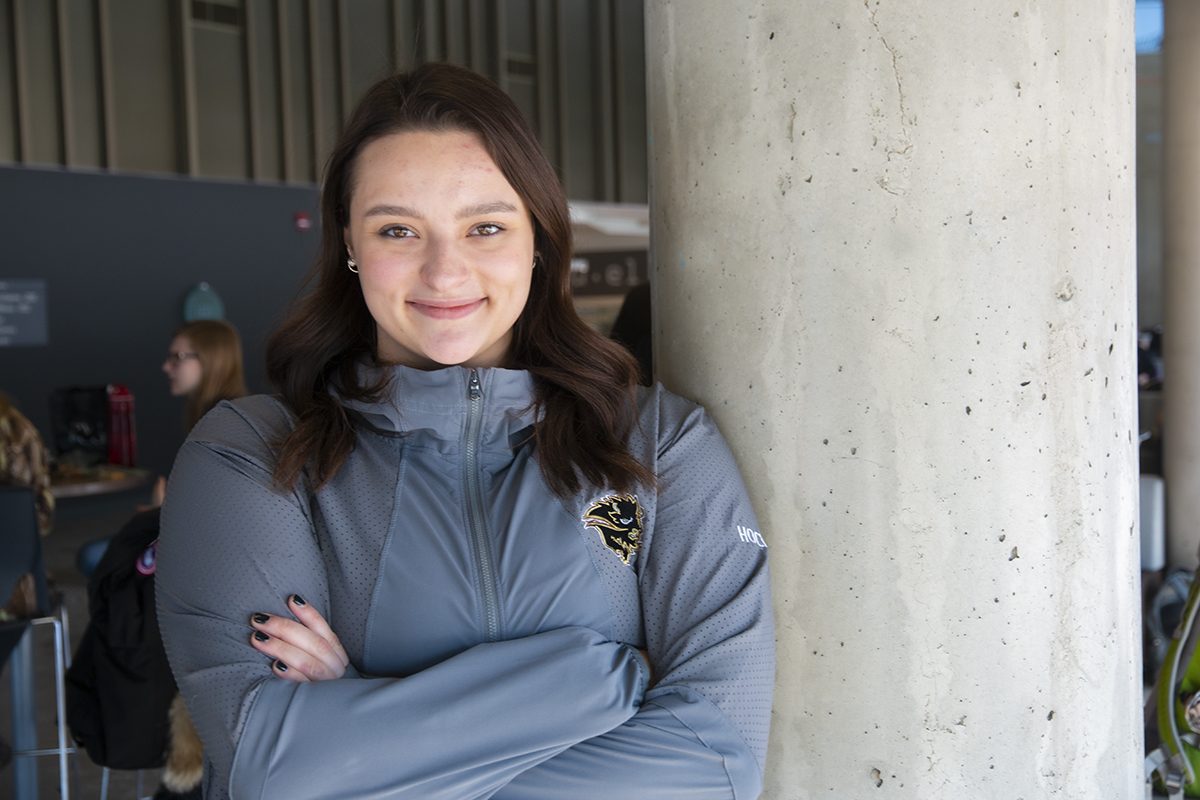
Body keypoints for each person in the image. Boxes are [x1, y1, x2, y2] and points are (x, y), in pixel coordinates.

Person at [157, 62, 774, 799]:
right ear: (348, 244)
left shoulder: (659, 443)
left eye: (485, 226)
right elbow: (277, 772)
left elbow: (717, 764)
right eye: (397, 230)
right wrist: (602, 682)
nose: (446, 272)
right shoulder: (250, 455)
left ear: (537, 238)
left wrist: (361, 724)